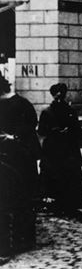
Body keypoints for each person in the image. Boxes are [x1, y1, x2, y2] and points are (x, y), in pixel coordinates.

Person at [0, 74, 40, 256]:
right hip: (13, 159)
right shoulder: (20, 103)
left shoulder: (20, 105)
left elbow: (29, 129)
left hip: (17, 159)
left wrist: (12, 137)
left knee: (19, 201)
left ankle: (21, 240)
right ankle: (21, 240)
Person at [38, 83, 82, 214]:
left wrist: (69, 131)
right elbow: (42, 131)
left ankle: (70, 203)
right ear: (53, 95)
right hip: (53, 149)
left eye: (61, 93)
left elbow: (77, 130)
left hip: (68, 149)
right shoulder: (47, 112)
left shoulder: (71, 111)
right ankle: (53, 203)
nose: (59, 95)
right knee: (53, 175)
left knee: (69, 176)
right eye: (56, 93)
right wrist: (55, 131)